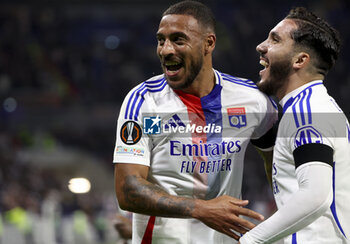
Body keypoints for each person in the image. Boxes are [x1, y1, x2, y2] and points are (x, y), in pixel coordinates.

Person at [113, 1, 278, 243]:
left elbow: (278, 167)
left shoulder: (252, 100)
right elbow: (127, 190)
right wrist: (201, 209)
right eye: (161, 40)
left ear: (208, 43)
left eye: (178, 40)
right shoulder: (143, 102)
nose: (166, 50)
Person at [239, 7, 350, 244]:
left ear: (300, 60)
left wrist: (250, 240)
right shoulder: (316, 106)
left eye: (275, 39)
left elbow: (315, 196)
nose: (261, 46)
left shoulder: (306, 112)